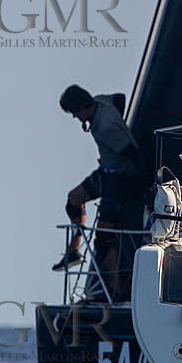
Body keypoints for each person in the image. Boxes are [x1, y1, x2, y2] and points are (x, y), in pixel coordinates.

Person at [58, 85, 144, 298]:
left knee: (104, 239)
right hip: (105, 171)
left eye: (75, 113)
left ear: (82, 107)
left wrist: (144, 186)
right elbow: (120, 98)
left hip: (119, 179)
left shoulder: (107, 128)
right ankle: (74, 250)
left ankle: (115, 291)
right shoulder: (102, 101)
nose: (76, 118)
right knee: (73, 200)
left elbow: (133, 155)